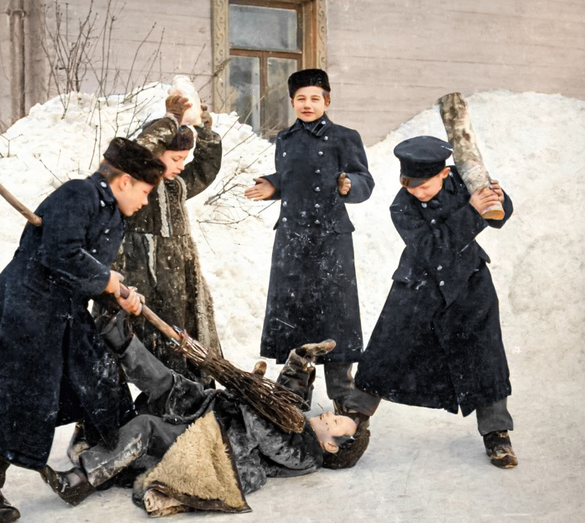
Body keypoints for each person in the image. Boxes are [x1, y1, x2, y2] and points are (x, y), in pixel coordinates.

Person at [0, 137, 166, 522]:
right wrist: (106, 279)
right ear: (124, 181)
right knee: (16, 396)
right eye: (144, 191)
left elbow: (85, 272)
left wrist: (117, 293)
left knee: (101, 378)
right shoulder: (77, 195)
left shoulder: (112, 213)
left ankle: (99, 461)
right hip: (28, 307)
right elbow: (60, 255)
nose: (145, 201)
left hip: (65, 309)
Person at [40, 312, 370, 515]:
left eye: (336, 423)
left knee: (147, 427)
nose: (329, 416)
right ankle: (120, 339)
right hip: (212, 409)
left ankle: (80, 480)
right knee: (167, 383)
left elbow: (267, 433)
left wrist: (246, 393)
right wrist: (301, 359)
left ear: (330, 445)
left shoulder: (306, 454)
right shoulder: (299, 420)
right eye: (336, 415)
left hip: (212, 442)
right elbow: (286, 397)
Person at [349, 135, 517, 469]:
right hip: (417, 284)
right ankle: (353, 416)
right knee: (386, 350)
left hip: (470, 284)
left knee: (485, 356)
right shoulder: (402, 206)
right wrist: (472, 211)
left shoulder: (466, 183)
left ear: (444, 173)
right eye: (408, 184)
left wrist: (498, 198)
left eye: (424, 185)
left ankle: (497, 434)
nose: (416, 192)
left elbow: (498, 217)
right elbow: (432, 248)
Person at [244, 68, 374, 414]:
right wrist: (274, 185)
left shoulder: (345, 137)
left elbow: (365, 179)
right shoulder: (285, 139)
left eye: (315, 98)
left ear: (326, 101)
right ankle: (295, 392)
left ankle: (343, 395)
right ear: (292, 102)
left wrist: (350, 185)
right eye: (300, 98)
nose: (307, 104)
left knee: (336, 315)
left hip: (331, 238)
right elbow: (294, 177)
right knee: (295, 312)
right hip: (293, 238)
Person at [110, 96, 223, 386]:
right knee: (133, 340)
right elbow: (138, 151)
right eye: (175, 159)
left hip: (178, 278)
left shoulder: (177, 185)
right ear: (157, 153)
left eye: (184, 159)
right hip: (139, 273)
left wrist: (203, 127)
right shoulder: (133, 185)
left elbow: (207, 167)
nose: (182, 166)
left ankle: (186, 393)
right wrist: (170, 122)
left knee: (179, 338)